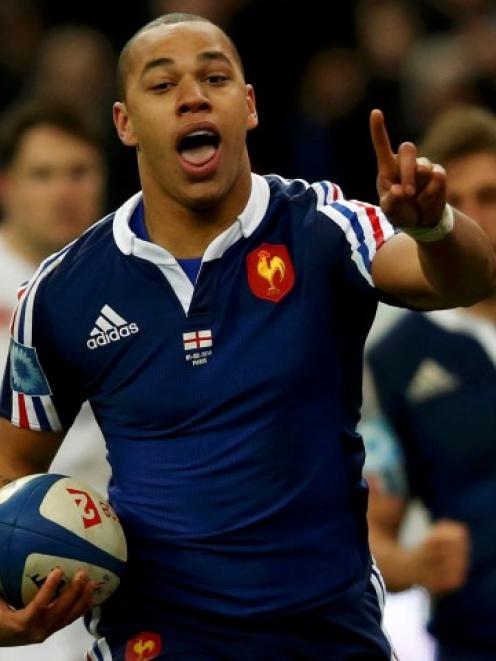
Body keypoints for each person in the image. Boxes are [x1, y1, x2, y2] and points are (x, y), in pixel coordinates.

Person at [0, 13, 494, 659]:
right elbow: (14, 463)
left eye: (215, 76)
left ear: (250, 105)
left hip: (326, 632)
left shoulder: (326, 227)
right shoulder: (63, 291)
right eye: (163, 83)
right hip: (155, 636)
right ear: (125, 122)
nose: (194, 94)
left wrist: (434, 227)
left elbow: (459, 280)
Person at [363, 104, 496, 661]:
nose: (472, 217)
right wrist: (416, 564)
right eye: (454, 203)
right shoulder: (397, 358)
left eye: (488, 197)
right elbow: (371, 535)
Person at [0, 99, 111, 660]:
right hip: (12, 564)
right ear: (6, 185)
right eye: (42, 175)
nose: (63, 192)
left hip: (123, 559)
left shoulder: (133, 280)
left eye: (79, 172)